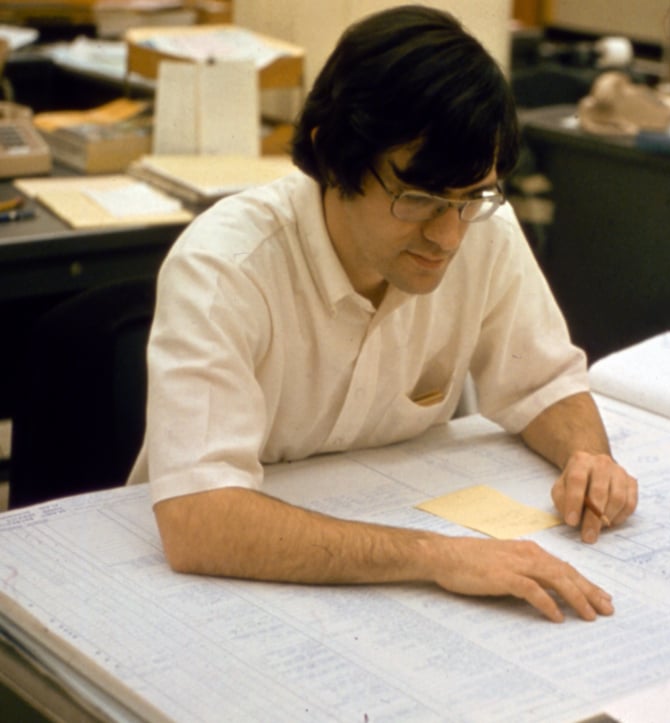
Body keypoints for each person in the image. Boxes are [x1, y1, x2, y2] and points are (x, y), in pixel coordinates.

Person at [127, 5, 638, 623]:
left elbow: (545, 382)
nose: (448, 237)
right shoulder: (225, 268)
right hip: (199, 600)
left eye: (473, 195)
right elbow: (200, 521)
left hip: (377, 574)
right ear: (333, 157)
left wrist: (590, 458)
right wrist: (436, 557)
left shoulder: (483, 231)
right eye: (418, 198)